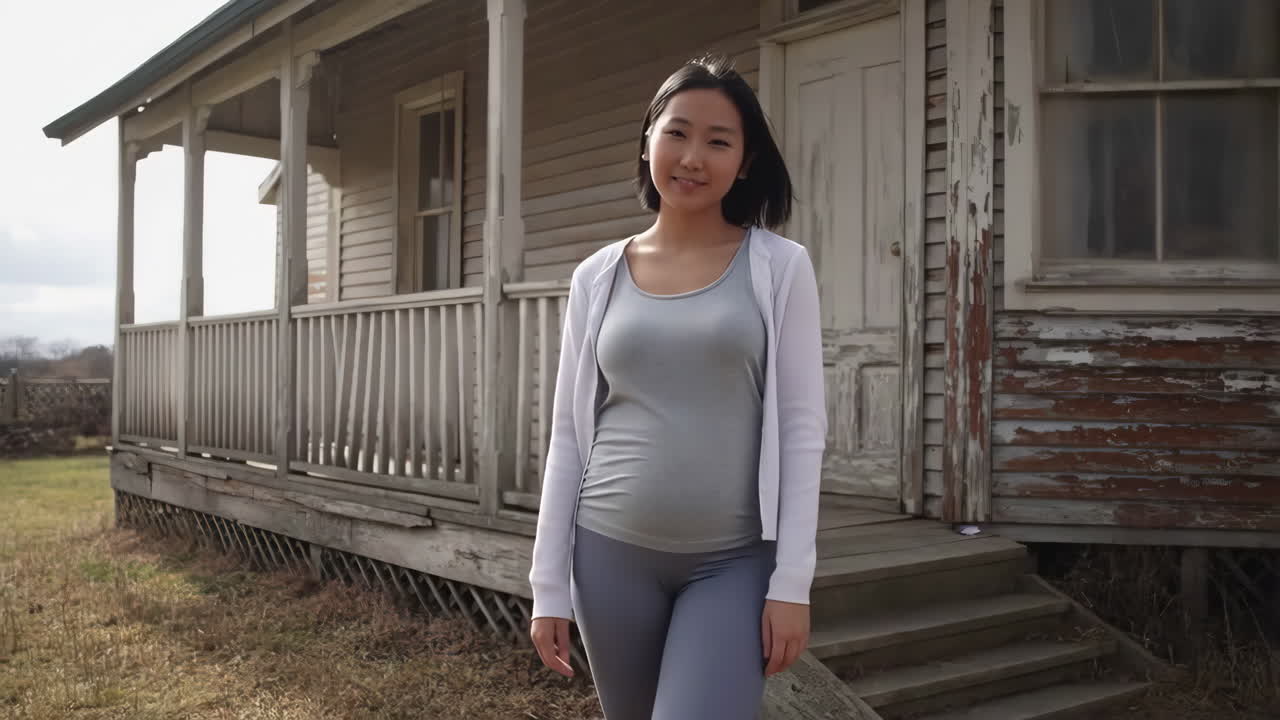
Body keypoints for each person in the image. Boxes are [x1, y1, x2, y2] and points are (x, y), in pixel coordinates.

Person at [527, 53, 827, 720]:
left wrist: (793, 581)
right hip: (608, 558)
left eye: (718, 142)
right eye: (677, 132)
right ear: (648, 140)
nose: (693, 157)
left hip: (733, 563)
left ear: (745, 163)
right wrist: (549, 585)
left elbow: (802, 431)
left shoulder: (780, 268)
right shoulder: (597, 276)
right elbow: (571, 436)